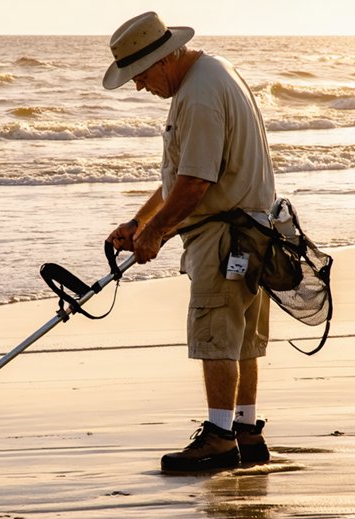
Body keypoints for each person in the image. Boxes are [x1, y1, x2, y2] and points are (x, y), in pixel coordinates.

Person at [103, 12, 276, 472]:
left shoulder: (197, 97)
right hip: (253, 230)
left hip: (225, 235)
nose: (139, 87)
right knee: (239, 338)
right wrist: (141, 223)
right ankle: (245, 430)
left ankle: (219, 439)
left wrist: (158, 233)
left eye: (139, 75)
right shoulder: (214, 72)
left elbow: (197, 182)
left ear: (163, 59)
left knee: (216, 334)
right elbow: (181, 177)